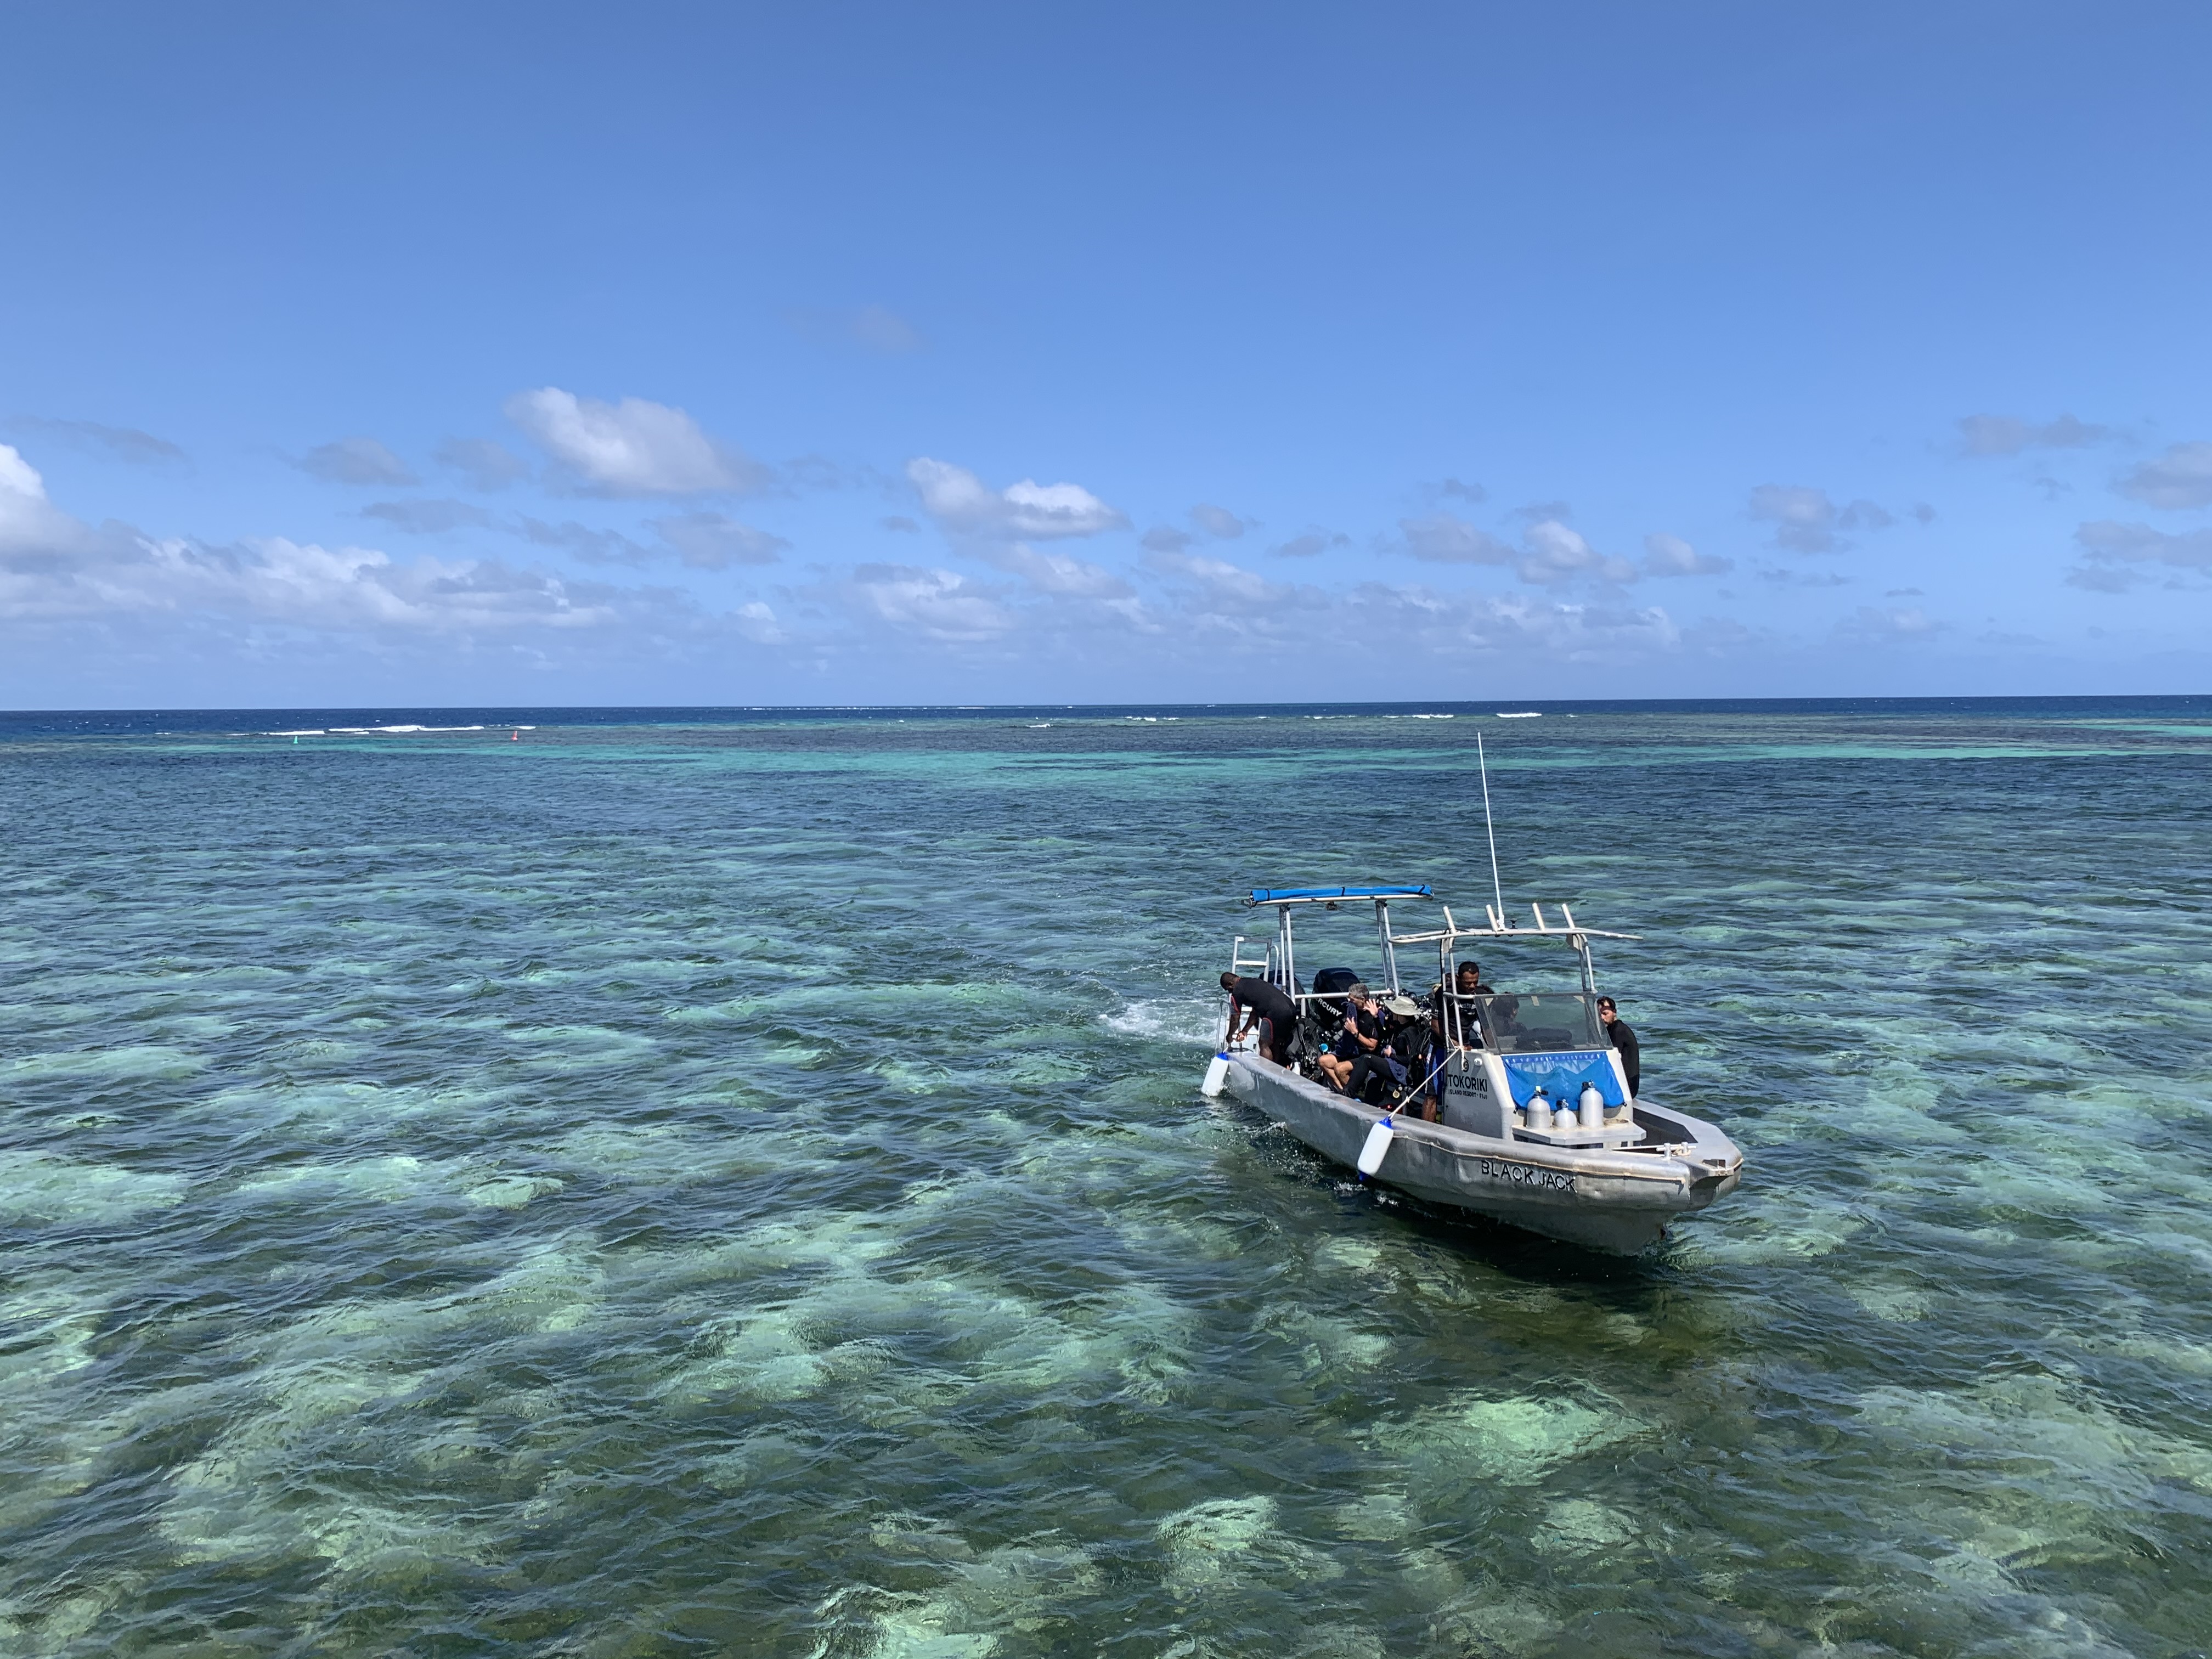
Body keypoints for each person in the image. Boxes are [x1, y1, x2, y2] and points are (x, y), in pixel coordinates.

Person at [1314, 984, 1384, 1092]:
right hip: (1350, 1051)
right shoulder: (1352, 1009)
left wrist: (1355, 1032)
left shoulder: (1375, 1017)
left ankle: (1354, 1092)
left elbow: (1372, 1047)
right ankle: (1344, 1091)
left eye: (1352, 1000)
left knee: (1339, 1069)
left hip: (1364, 1056)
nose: (1349, 1002)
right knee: (1323, 1061)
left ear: (1362, 999)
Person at [1221, 970, 1299, 1066]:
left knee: (1264, 1044)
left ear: (1230, 984)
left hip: (1275, 1012)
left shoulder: (1237, 992)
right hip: (1291, 1009)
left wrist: (1229, 1036)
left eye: (1229, 989)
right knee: (1276, 1043)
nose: (1230, 992)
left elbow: (1235, 1020)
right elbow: (1255, 1013)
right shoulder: (1253, 983)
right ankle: (1277, 1070)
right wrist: (1245, 1031)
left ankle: (1265, 1071)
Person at [1598, 996, 1640, 1097]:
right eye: (1599, 1015)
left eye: (1605, 1014)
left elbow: (1613, 1060)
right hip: (1626, 1084)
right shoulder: (1612, 1029)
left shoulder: (1618, 1030)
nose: (1602, 1018)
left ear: (1614, 1012)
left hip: (1627, 1088)